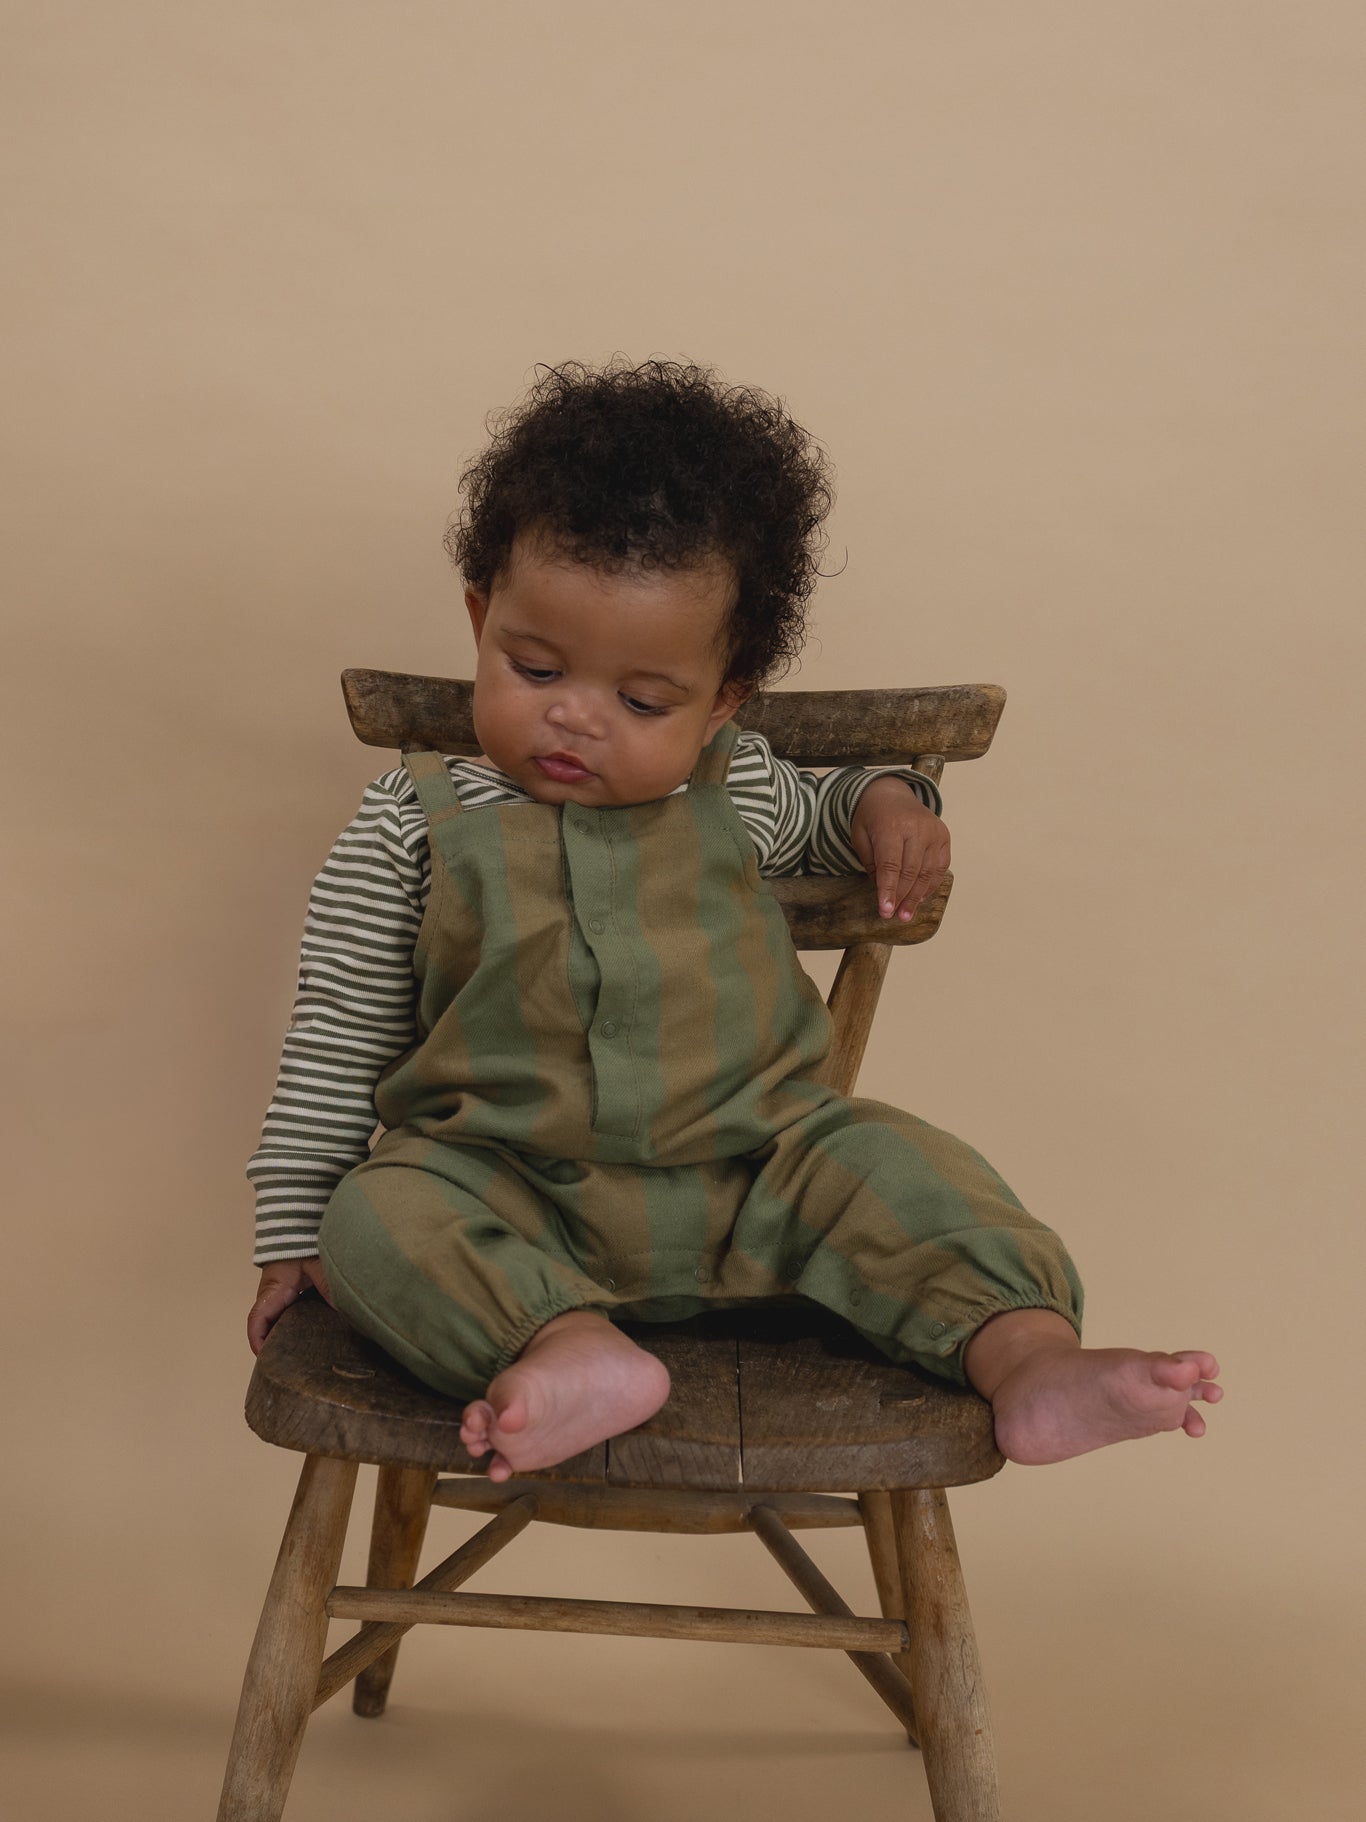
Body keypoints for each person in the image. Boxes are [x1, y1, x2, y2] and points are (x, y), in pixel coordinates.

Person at [246, 358, 1221, 1483]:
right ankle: (567, 1348)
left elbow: (832, 803)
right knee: (374, 1216)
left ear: (721, 702)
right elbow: (335, 1036)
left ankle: (1029, 1357)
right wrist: (290, 1235)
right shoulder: (412, 818)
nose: (575, 713)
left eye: (643, 700)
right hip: (508, 1194)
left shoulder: (738, 785)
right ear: (480, 620)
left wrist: (891, 799)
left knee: (907, 1166)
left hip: (763, 1182)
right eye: (533, 664)